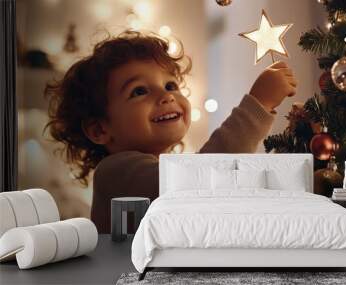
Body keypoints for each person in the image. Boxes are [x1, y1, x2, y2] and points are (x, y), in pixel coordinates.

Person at [44, 31, 298, 233]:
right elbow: (203, 179)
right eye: (139, 91)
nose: (166, 96)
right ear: (100, 129)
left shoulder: (155, 170)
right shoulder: (116, 170)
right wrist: (258, 104)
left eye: (170, 84)